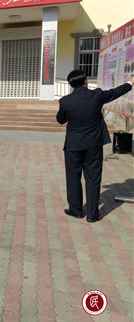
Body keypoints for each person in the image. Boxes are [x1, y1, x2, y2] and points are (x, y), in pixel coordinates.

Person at [57, 70, 134, 223]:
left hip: (73, 146)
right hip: (93, 144)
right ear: (85, 81)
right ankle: (92, 215)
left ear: (71, 84)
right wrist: (130, 82)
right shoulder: (97, 95)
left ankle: (76, 210)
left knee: (73, 178)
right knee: (93, 179)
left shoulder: (65, 101)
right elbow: (116, 92)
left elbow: (60, 120)